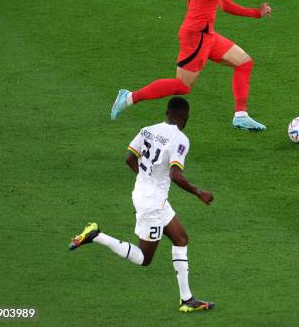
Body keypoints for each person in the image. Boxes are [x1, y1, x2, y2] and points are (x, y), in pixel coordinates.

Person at [111, 0, 271, 131]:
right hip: (197, 36)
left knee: (244, 62)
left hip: (207, 34)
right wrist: (257, 13)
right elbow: (226, 6)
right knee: (182, 86)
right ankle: (128, 98)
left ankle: (240, 115)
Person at [70, 97, 215, 312]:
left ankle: (187, 299)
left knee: (181, 238)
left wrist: (147, 181)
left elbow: (129, 158)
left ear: (167, 112)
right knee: (144, 258)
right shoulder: (180, 139)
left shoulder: (147, 129)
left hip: (145, 195)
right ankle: (96, 235)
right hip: (152, 205)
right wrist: (198, 192)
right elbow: (176, 174)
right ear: (186, 117)